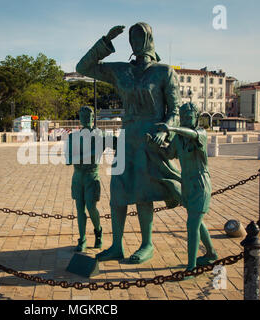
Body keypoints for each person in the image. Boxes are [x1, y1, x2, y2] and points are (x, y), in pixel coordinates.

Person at [76, 22, 182, 263]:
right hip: (126, 138)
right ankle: (116, 246)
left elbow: (174, 111)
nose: (136, 42)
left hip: (149, 139)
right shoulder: (121, 71)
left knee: (144, 193)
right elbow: (83, 67)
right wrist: (105, 42)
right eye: (132, 38)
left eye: (140, 37)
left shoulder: (164, 72)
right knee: (118, 193)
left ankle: (147, 244)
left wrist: (165, 131)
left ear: (150, 41)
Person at [147, 102, 218, 271]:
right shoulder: (178, 139)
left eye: (189, 117)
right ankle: (211, 253)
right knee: (197, 222)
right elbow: (169, 154)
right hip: (187, 184)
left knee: (192, 225)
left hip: (201, 184)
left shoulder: (200, 133)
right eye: (183, 117)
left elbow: (192, 134)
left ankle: (191, 267)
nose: (186, 119)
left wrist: (171, 129)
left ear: (196, 118)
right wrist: (154, 145)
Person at [65, 106, 114, 252]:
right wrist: (89, 154)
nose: (85, 120)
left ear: (93, 119)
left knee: (92, 207)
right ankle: (82, 239)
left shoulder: (100, 135)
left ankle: (98, 231)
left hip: (92, 175)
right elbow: (68, 160)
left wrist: (79, 156)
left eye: (88, 117)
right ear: (79, 119)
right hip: (78, 176)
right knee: (80, 209)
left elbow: (118, 144)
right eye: (83, 117)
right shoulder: (73, 137)